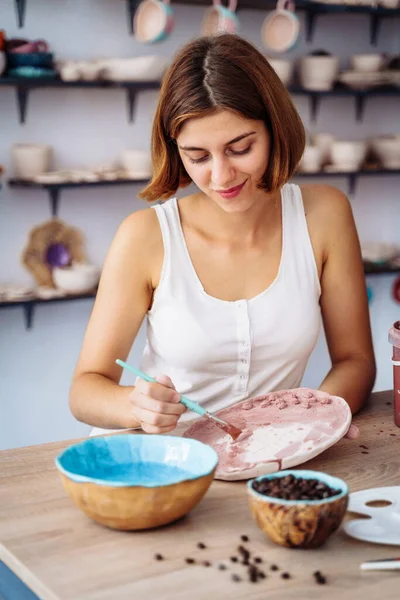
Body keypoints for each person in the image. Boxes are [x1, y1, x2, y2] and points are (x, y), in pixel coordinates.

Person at [69, 34, 376, 438]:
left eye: (240, 148)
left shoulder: (324, 215)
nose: (220, 176)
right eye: (198, 156)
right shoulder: (145, 236)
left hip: (268, 459)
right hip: (161, 463)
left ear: (274, 129)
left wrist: (313, 420)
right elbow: (85, 388)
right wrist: (134, 405)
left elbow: (355, 360)